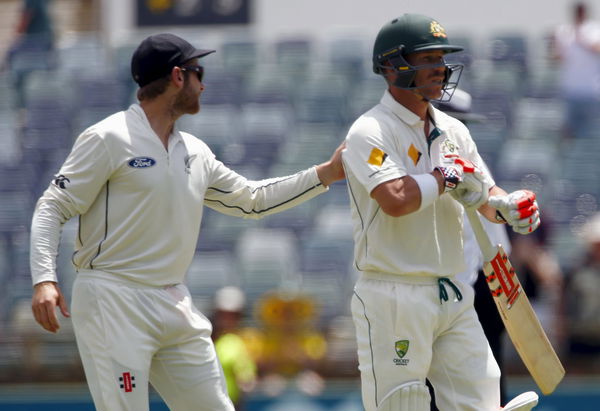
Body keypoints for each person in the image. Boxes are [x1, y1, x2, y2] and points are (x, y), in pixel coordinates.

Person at [29, 33, 345, 411]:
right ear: (178, 76)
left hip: (173, 300)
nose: (204, 83)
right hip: (113, 298)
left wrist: (326, 173)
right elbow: (53, 206)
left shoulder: (195, 151)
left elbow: (252, 201)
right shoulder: (107, 137)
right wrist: (44, 279)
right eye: (199, 72)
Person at [341, 14, 541, 411]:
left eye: (441, 57)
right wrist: (444, 176)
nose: (440, 68)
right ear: (391, 65)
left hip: (452, 291)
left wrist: (508, 208)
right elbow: (395, 199)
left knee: (483, 395)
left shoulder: (454, 130)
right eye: (427, 57)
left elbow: (485, 196)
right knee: (400, 404)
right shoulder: (369, 131)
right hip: (394, 294)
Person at [552, 1, 600, 141]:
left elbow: (597, 50)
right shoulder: (565, 31)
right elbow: (559, 58)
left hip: (591, 91)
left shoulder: (594, 30)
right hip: (570, 90)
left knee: (592, 130)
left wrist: (582, 39)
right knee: (569, 131)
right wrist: (556, 44)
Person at [3, 0, 55, 109]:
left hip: (35, 46)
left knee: (16, 74)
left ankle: (22, 109)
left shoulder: (32, 1)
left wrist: (14, 42)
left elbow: (24, 21)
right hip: (43, 45)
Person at [212, 287, 257, 410]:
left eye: (233, 315)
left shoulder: (242, 341)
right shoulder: (208, 337)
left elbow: (246, 381)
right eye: (223, 314)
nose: (227, 319)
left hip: (229, 403)